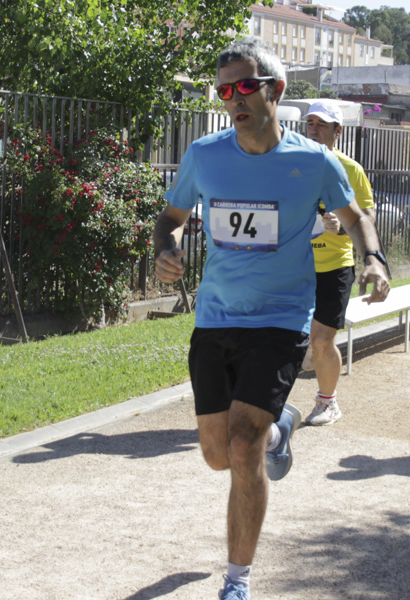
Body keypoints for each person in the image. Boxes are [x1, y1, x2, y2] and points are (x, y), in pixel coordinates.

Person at [151, 38, 391, 600]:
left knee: (242, 443)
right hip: (214, 319)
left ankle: (237, 580)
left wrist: (373, 259)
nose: (233, 99)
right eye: (225, 90)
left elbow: (354, 217)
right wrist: (168, 244)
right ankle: (284, 428)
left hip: (281, 320)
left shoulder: (313, 160)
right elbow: (171, 216)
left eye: (244, 87)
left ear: (275, 91)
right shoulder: (205, 155)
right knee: (216, 455)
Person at [303, 101, 385, 426]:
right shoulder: (289, 166)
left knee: (322, 340)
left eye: (322, 124)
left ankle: (327, 403)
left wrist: (342, 225)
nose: (314, 129)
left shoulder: (351, 169)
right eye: (310, 123)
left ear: (338, 131)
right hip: (294, 267)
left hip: (334, 266)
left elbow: (367, 218)